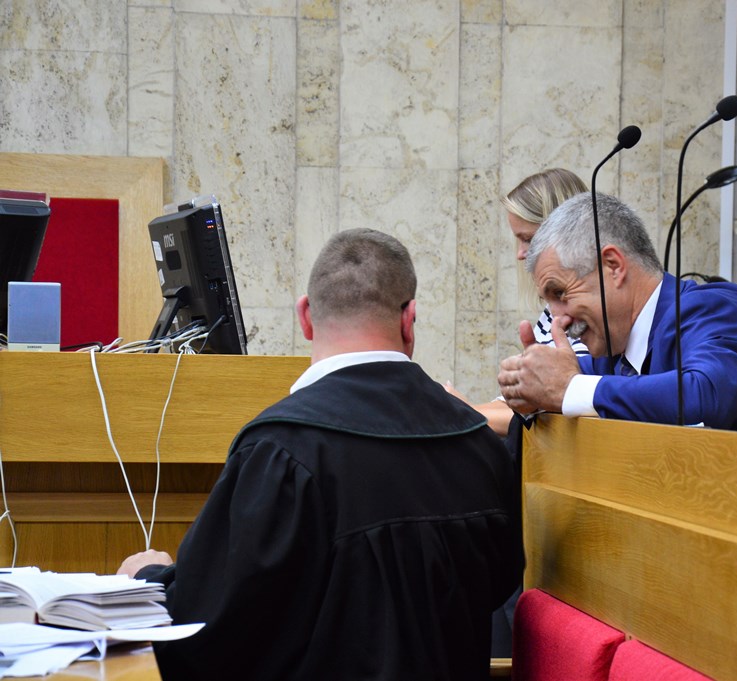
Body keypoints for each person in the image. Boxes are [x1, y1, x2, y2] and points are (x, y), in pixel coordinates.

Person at [118, 228, 524, 681]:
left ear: (306, 316)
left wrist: (148, 580)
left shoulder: (280, 450)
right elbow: (499, 588)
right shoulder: (478, 444)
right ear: (410, 318)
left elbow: (208, 630)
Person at [496, 192, 737, 440]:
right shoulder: (614, 351)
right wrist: (530, 384)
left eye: (560, 294)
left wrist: (568, 388)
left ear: (613, 266)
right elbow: (570, 381)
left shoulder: (718, 311)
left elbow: (704, 396)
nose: (558, 319)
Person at [446, 168, 589, 436]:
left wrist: (461, 413)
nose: (521, 254)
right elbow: (525, 405)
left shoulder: (583, 313)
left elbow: (553, 409)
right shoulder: (552, 310)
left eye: (529, 239)